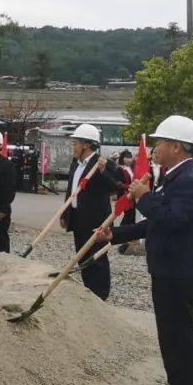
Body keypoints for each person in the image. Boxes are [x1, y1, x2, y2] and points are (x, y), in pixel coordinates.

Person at [105, 115, 193, 385]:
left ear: (177, 146)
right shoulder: (176, 176)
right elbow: (157, 222)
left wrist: (143, 196)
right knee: (170, 333)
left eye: (160, 143)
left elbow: (173, 219)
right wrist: (118, 235)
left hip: (180, 269)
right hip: (168, 266)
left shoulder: (190, 180)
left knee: (179, 334)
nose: (155, 149)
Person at [59, 124, 122, 301]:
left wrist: (102, 171)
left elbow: (114, 187)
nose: (73, 146)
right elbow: (71, 190)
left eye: (76, 143)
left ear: (86, 145)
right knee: (82, 257)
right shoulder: (76, 164)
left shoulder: (102, 163)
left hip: (97, 221)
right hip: (79, 218)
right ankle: (88, 291)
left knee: (97, 259)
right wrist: (66, 213)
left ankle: (100, 296)